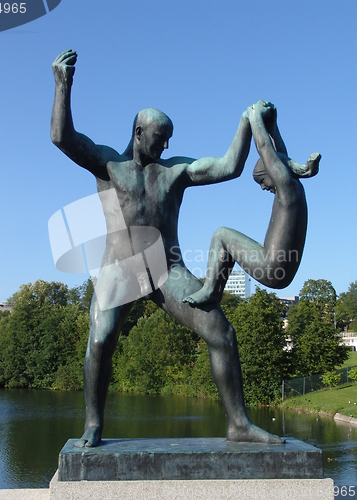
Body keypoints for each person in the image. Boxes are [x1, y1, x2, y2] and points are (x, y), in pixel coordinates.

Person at [51, 49, 282, 448]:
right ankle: (93, 423)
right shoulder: (108, 164)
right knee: (102, 337)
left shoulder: (175, 171)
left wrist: (246, 122)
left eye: (169, 140)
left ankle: (238, 424)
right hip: (119, 267)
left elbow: (229, 166)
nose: (166, 145)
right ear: (139, 133)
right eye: (160, 139)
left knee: (220, 331)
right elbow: (62, 137)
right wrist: (62, 86)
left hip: (164, 267)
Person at [183, 100, 320, 306]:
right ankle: (213, 289)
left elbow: (266, 148)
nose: (264, 188)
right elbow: (280, 155)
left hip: (272, 267)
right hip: (282, 270)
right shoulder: (294, 188)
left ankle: (211, 290)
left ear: (274, 174)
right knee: (228, 242)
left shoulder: (286, 188)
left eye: (263, 181)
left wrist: (254, 117)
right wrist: (272, 125)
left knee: (221, 235)